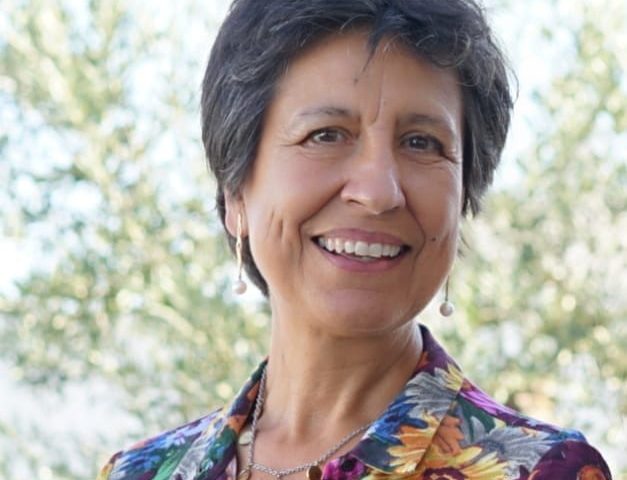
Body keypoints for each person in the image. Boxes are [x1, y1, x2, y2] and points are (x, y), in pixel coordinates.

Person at [98, 0, 612, 479]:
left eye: (421, 143)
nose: (378, 192)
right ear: (236, 193)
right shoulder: (139, 471)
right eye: (325, 135)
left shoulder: (543, 470)